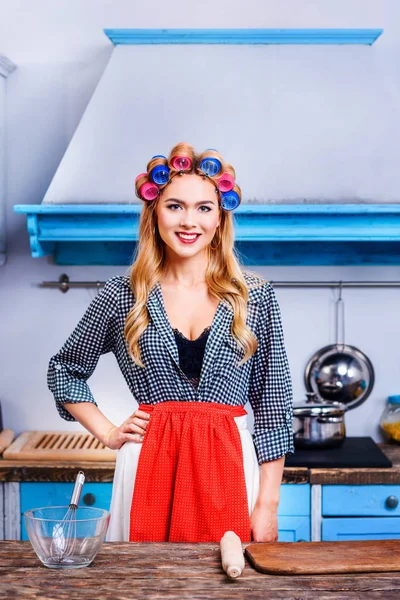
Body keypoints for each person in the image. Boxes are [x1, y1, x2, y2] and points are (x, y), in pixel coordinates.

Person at [48, 142, 294, 543]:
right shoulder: (122, 295)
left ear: (219, 218)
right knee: (147, 582)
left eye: (203, 207)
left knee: (228, 583)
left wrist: (268, 504)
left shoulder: (254, 297)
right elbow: (64, 369)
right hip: (148, 461)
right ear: (155, 213)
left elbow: (273, 405)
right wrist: (108, 432)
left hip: (231, 466)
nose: (189, 221)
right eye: (175, 206)